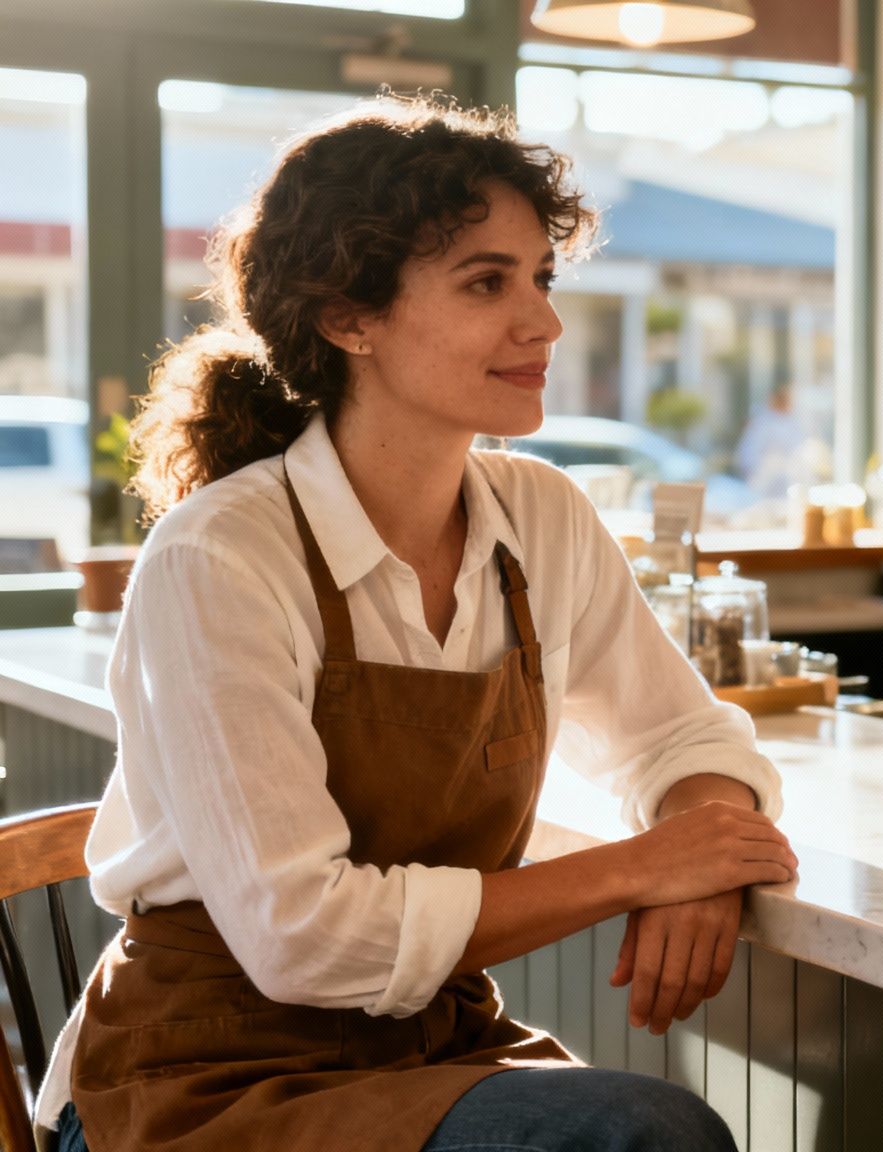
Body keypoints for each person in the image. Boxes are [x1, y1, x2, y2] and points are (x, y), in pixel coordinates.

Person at [37, 96, 800, 1152]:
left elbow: (680, 737)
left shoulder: (541, 517)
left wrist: (705, 843)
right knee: (640, 1134)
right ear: (349, 317)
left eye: (540, 277)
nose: (542, 323)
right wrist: (644, 867)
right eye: (486, 282)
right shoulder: (222, 556)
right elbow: (301, 939)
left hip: (424, 1049)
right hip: (196, 1078)